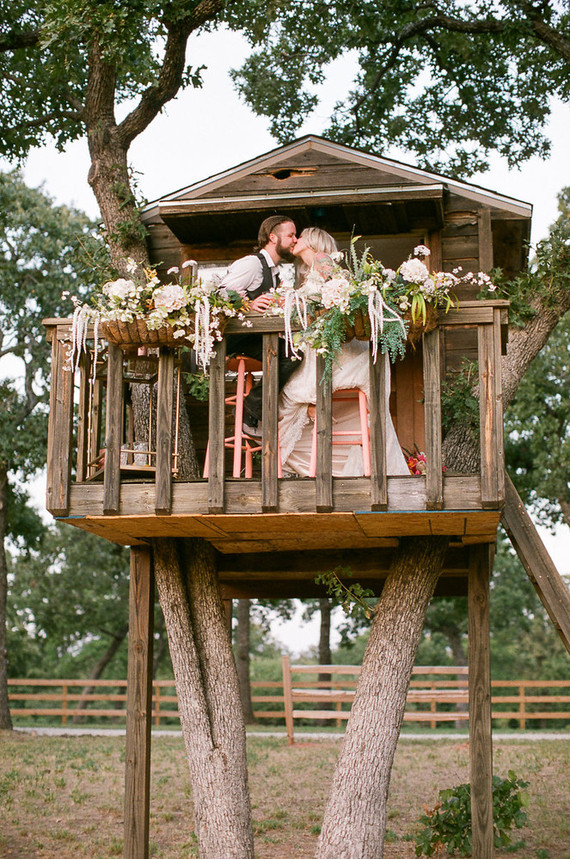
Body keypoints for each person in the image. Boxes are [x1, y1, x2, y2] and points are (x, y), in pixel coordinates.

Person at [278, 227, 409, 477]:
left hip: (342, 353)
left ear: (314, 241)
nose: (295, 240)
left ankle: (310, 403)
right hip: (325, 349)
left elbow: (344, 294)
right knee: (291, 383)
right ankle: (312, 405)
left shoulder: (324, 261)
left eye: (300, 235)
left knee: (286, 392)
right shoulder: (309, 271)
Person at [219, 214, 298, 433]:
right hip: (234, 339)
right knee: (292, 353)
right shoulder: (252, 264)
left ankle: (251, 411)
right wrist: (247, 304)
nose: (295, 240)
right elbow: (220, 293)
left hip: (253, 336)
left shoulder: (273, 272)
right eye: (290, 235)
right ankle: (250, 411)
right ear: (273, 237)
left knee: (292, 352)